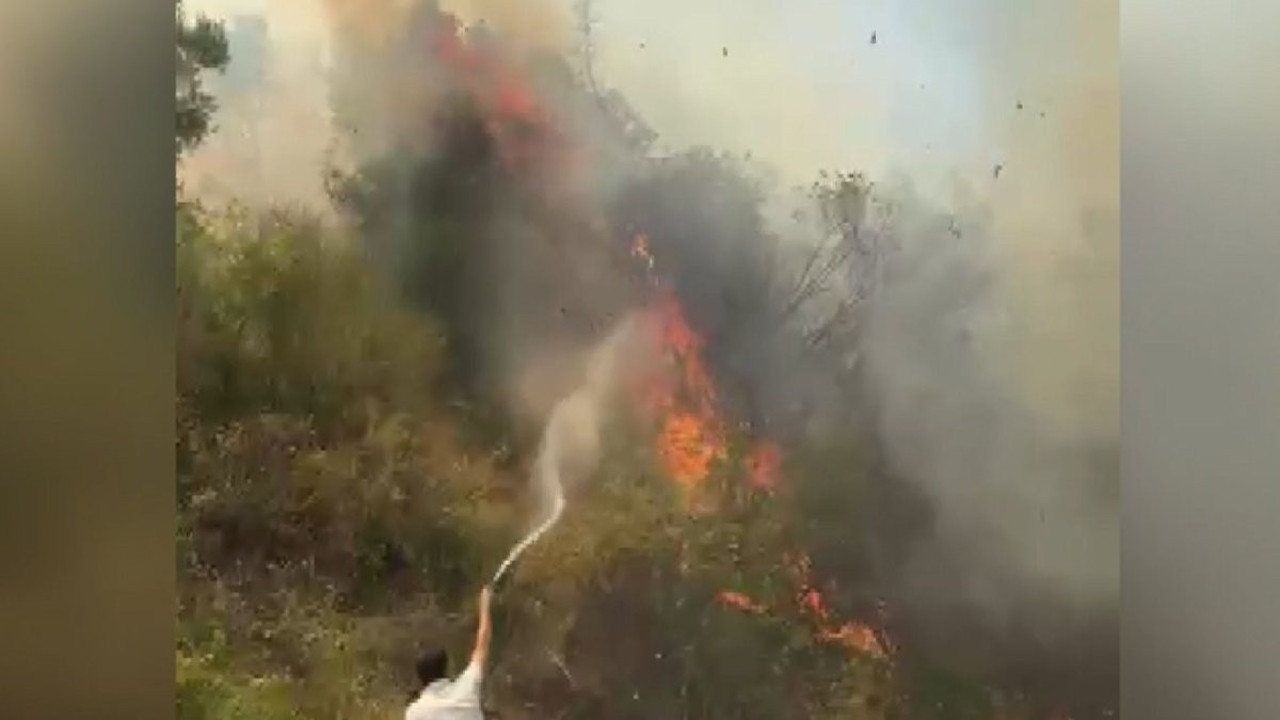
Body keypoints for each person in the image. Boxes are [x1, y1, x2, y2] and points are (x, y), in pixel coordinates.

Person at [406, 586, 493, 720]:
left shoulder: (415, 712)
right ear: (446, 667)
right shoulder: (467, 687)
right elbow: (482, 643)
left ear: (420, 678)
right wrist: (484, 605)